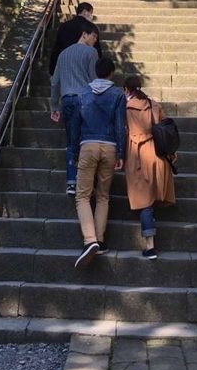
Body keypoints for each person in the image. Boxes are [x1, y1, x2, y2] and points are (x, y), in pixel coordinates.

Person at [70, 57, 126, 269]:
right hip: (110, 146)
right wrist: (121, 152)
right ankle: (99, 240)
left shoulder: (83, 93)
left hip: (88, 144)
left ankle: (89, 240)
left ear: (95, 72)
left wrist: (74, 151)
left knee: (83, 195)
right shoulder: (118, 95)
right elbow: (121, 125)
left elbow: (75, 125)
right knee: (103, 196)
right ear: (111, 73)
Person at [123, 75, 176, 260]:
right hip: (157, 155)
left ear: (126, 90)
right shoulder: (153, 105)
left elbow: (122, 131)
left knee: (144, 202)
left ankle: (150, 245)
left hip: (138, 156)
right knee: (150, 197)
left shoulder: (126, 108)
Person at [50, 20, 99, 195]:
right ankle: (86, 181)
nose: (95, 40)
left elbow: (55, 81)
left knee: (71, 141)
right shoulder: (91, 52)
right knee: (86, 140)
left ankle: (71, 182)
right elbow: (94, 79)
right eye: (93, 36)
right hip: (84, 99)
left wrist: (54, 106)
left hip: (67, 100)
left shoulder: (63, 54)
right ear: (84, 34)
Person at [49, 2, 102, 75]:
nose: (91, 16)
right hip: (83, 67)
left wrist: (52, 70)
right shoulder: (91, 28)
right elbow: (97, 49)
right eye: (91, 13)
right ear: (84, 12)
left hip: (65, 65)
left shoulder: (64, 26)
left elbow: (57, 47)